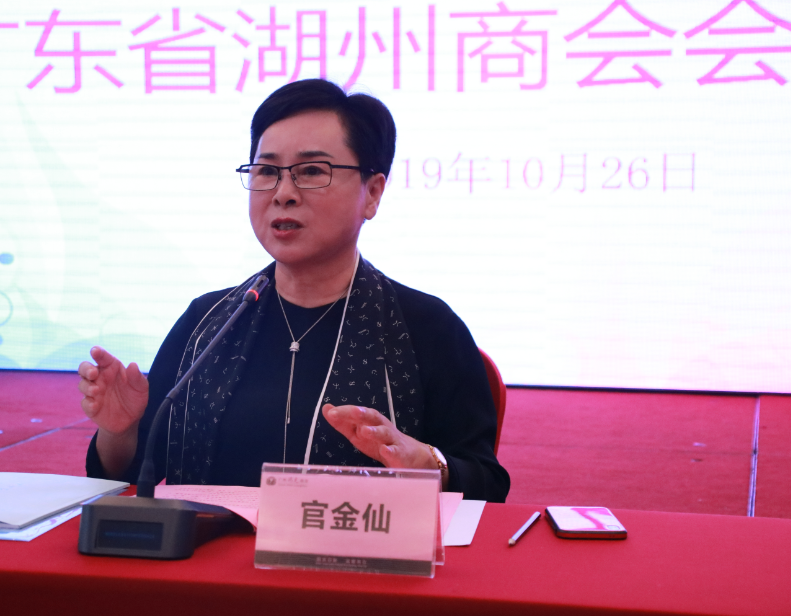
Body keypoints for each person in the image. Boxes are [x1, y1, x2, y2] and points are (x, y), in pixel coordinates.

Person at [79, 79, 510, 502]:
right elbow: (131, 476)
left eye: (312, 171)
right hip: (209, 551)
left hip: (355, 550)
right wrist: (119, 431)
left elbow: (487, 485)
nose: (283, 193)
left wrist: (428, 464)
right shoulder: (206, 324)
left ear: (373, 193)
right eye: (267, 172)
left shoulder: (426, 329)